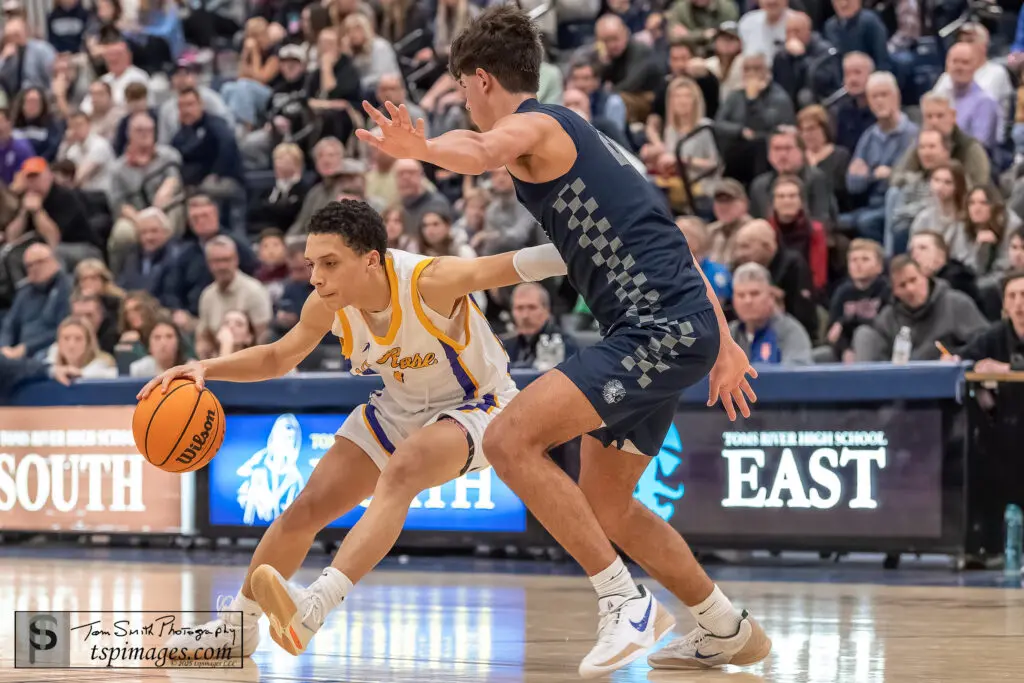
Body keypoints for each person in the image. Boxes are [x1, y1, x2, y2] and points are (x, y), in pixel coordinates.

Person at [358, 6, 767, 675]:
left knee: (507, 439)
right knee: (604, 501)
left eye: (463, 89)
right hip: (674, 323)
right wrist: (721, 340)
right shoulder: (593, 142)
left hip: (654, 326)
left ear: (483, 81)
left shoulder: (536, 125)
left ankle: (623, 603)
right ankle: (723, 624)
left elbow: (483, 149)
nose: (464, 100)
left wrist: (424, 149)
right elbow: (668, 234)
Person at [140, 200, 566, 661]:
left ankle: (315, 605)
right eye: (311, 264)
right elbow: (277, 357)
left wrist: (598, 250)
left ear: (370, 260)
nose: (315, 277)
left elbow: (513, 266)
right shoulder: (328, 303)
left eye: (329, 263)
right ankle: (237, 629)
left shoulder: (429, 281)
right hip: (399, 406)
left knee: (402, 472)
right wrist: (204, 366)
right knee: (306, 508)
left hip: (479, 402)